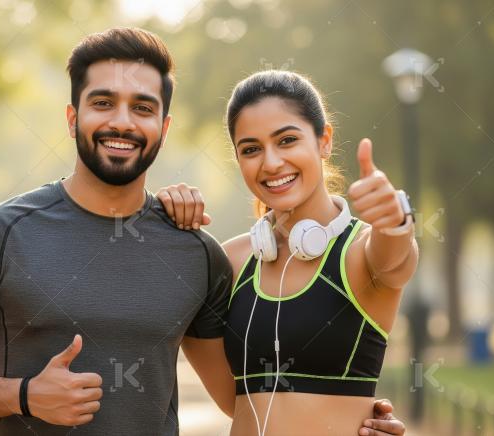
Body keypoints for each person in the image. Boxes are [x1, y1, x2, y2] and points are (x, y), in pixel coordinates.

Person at [0, 28, 407, 435]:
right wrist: (23, 395)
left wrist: (349, 419)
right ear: (72, 116)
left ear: (164, 127)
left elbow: (250, 401)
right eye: (103, 103)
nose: (122, 122)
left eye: (142, 108)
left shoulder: (195, 254)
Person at [157, 70, 418, 436]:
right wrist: (161, 221)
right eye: (251, 149)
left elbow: (397, 260)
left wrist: (396, 221)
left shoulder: (360, 253)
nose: (272, 163)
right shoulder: (226, 264)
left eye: (287, 140)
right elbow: (233, 400)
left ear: (324, 140)